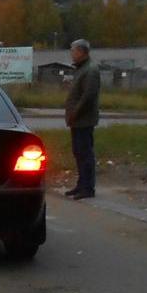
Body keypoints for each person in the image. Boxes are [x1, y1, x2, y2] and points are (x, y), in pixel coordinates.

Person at [63, 39, 100, 199]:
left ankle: (88, 187)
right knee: (79, 152)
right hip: (78, 120)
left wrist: (75, 113)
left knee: (85, 153)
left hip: (84, 120)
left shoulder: (90, 70)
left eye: (74, 51)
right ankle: (81, 184)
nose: (72, 54)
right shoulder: (81, 69)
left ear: (82, 52)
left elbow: (88, 97)